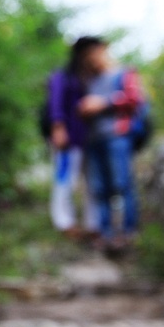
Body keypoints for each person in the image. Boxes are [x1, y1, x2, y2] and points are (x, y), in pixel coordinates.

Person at [78, 38, 144, 253]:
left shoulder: (124, 74)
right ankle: (105, 234)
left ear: (104, 51)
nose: (92, 59)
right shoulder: (90, 81)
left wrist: (104, 103)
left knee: (121, 185)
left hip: (117, 136)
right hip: (94, 138)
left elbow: (135, 100)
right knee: (99, 188)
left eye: (94, 53)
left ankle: (126, 232)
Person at [46, 37, 100, 240]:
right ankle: (64, 222)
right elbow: (55, 104)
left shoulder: (93, 78)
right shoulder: (64, 76)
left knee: (92, 182)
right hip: (69, 139)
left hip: (90, 139)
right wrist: (58, 127)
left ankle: (93, 223)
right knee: (64, 180)